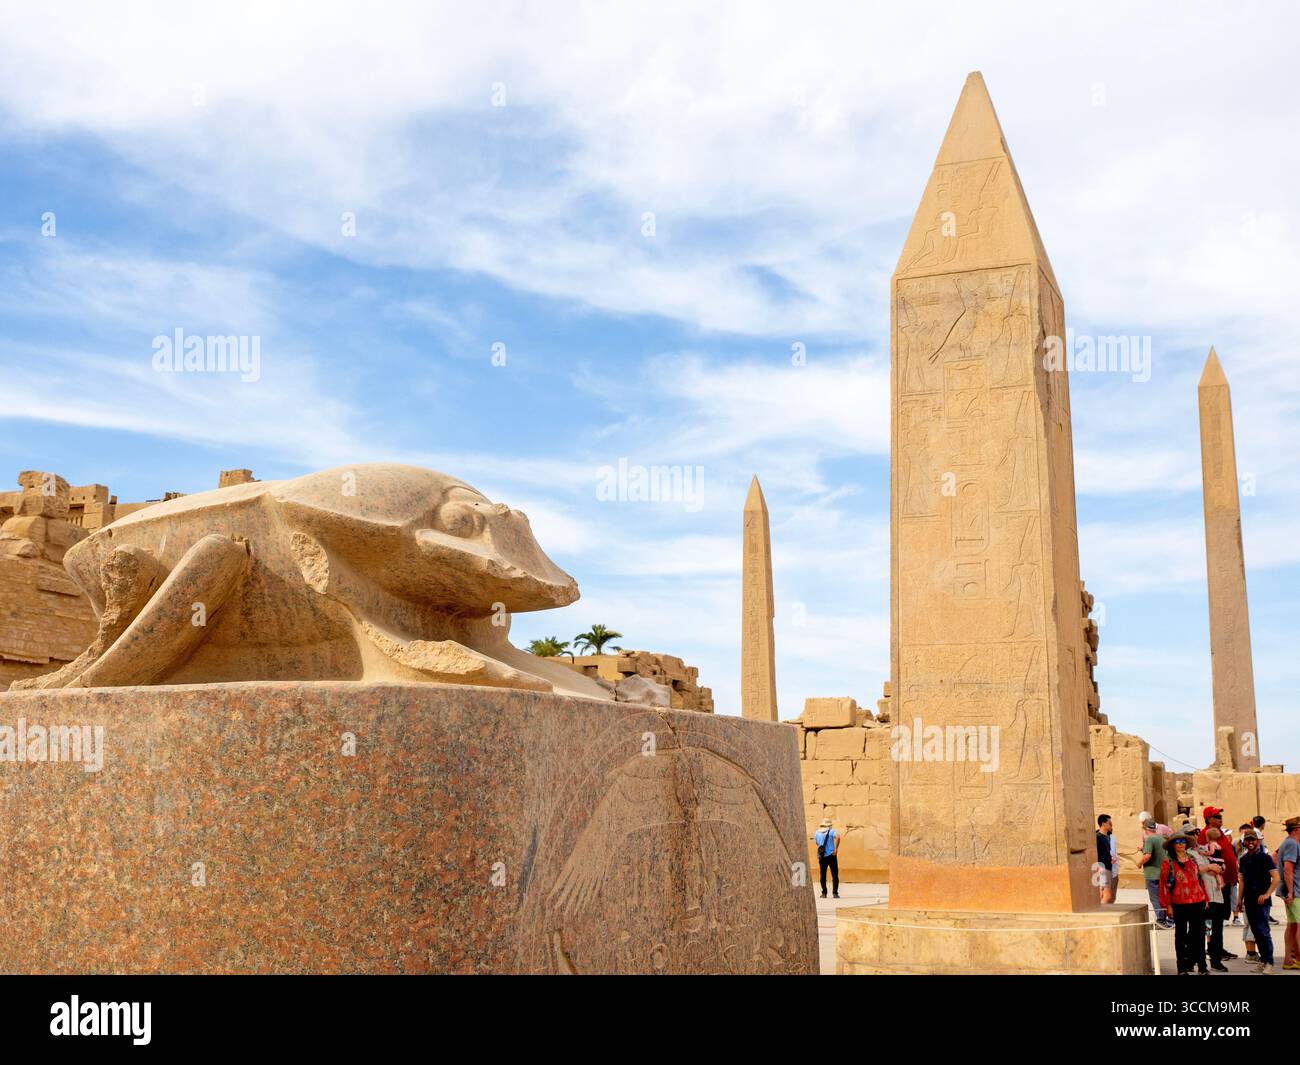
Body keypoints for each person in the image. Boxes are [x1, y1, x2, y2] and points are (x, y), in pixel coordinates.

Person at [1160, 831, 1209, 975]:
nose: (1181, 844)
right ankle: (1182, 968)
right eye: (1177, 842)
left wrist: (1205, 898)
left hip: (1197, 901)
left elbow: (1199, 880)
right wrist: (1167, 905)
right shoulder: (1168, 862)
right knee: (1180, 937)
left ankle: (1202, 967)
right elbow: (1164, 885)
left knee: (1199, 936)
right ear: (1172, 845)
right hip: (1179, 903)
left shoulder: (1192, 859)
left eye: (1183, 841)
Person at [1238, 830, 1279, 973]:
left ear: (1258, 841)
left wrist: (1267, 894)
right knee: (1256, 932)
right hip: (1249, 900)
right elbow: (1241, 881)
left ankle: (1269, 963)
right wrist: (1239, 899)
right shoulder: (1243, 859)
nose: (1250, 843)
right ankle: (1263, 961)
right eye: (1248, 840)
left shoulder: (1264, 858)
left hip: (1262, 901)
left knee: (1263, 932)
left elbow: (1276, 877)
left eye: (1253, 840)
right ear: (1244, 842)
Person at [1198, 809, 1237, 956]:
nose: (1221, 818)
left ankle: (1217, 947)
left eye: (1221, 816)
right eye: (1217, 816)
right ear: (1209, 819)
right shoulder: (1205, 834)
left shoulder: (1220, 833)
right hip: (1215, 883)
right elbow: (1202, 855)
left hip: (1225, 881)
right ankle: (1213, 948)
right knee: (1214, 918)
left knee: (1220, 918)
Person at [1198, 828, 1230, 970]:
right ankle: (1200, 960)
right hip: (1204, 900)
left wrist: (1217, 868)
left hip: (1216, 899)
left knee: (1215, 930)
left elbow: (1221, 867)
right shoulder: (1193, 853)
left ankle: (1215, 959)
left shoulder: (1207, 849)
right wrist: (1210, 867)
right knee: (1206, 930)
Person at [1140, 818, 1172, 929]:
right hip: (1163, 873)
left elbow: (1147, 856)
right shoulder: (1162, 839)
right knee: (1164, 896)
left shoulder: (1149, 839)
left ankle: (1161, 920)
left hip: (1152, 873)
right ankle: (1169, 918)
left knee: (1155, 898)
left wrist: (1139, 863)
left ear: (1145, 828)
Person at [1277, 816, 1300, 970]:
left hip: (1292, 891)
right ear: (1297, 829)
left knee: (1292, 926)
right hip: (1296, 891)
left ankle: (1289, 960)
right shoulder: (1292, 844)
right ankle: (1297, 958)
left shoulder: (1288, 842)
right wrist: (1291, 892)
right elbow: (1288, 868)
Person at [814, 817, 840, 899]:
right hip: (832, 855)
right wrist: (836, 849)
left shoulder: (817, 833)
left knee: (822, 875)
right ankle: (835, 893)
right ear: (829, 825)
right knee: (835, 874)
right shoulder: (832, 831)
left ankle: (824, 893)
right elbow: (838, 837)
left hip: (822, 856)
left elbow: (817, 844)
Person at [1097, 814, 1115, 904]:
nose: (1111, 825)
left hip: (1107, 867)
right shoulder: (1097, 837)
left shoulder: (1107, 837)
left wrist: (1111, 858)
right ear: (1103, 824)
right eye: (1110, 823)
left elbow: (1105, 852)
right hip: (1102, 868)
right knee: (1107, 896)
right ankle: (1100, 914)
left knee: (1101, 894)